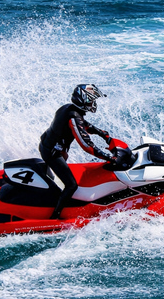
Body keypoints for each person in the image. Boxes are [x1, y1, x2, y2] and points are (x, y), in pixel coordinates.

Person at [39, 84, 116, 219]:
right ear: (84, 100)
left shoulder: (69, 109)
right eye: (92, 100)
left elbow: (83, 124)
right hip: (52, 153)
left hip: (49, 147)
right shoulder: (73, 116)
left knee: (61, 177)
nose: (94, 103)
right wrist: (108, 157)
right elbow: (87, 145)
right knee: (71, 185)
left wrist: (101, 133)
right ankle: (55, 216)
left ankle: (51, 195)